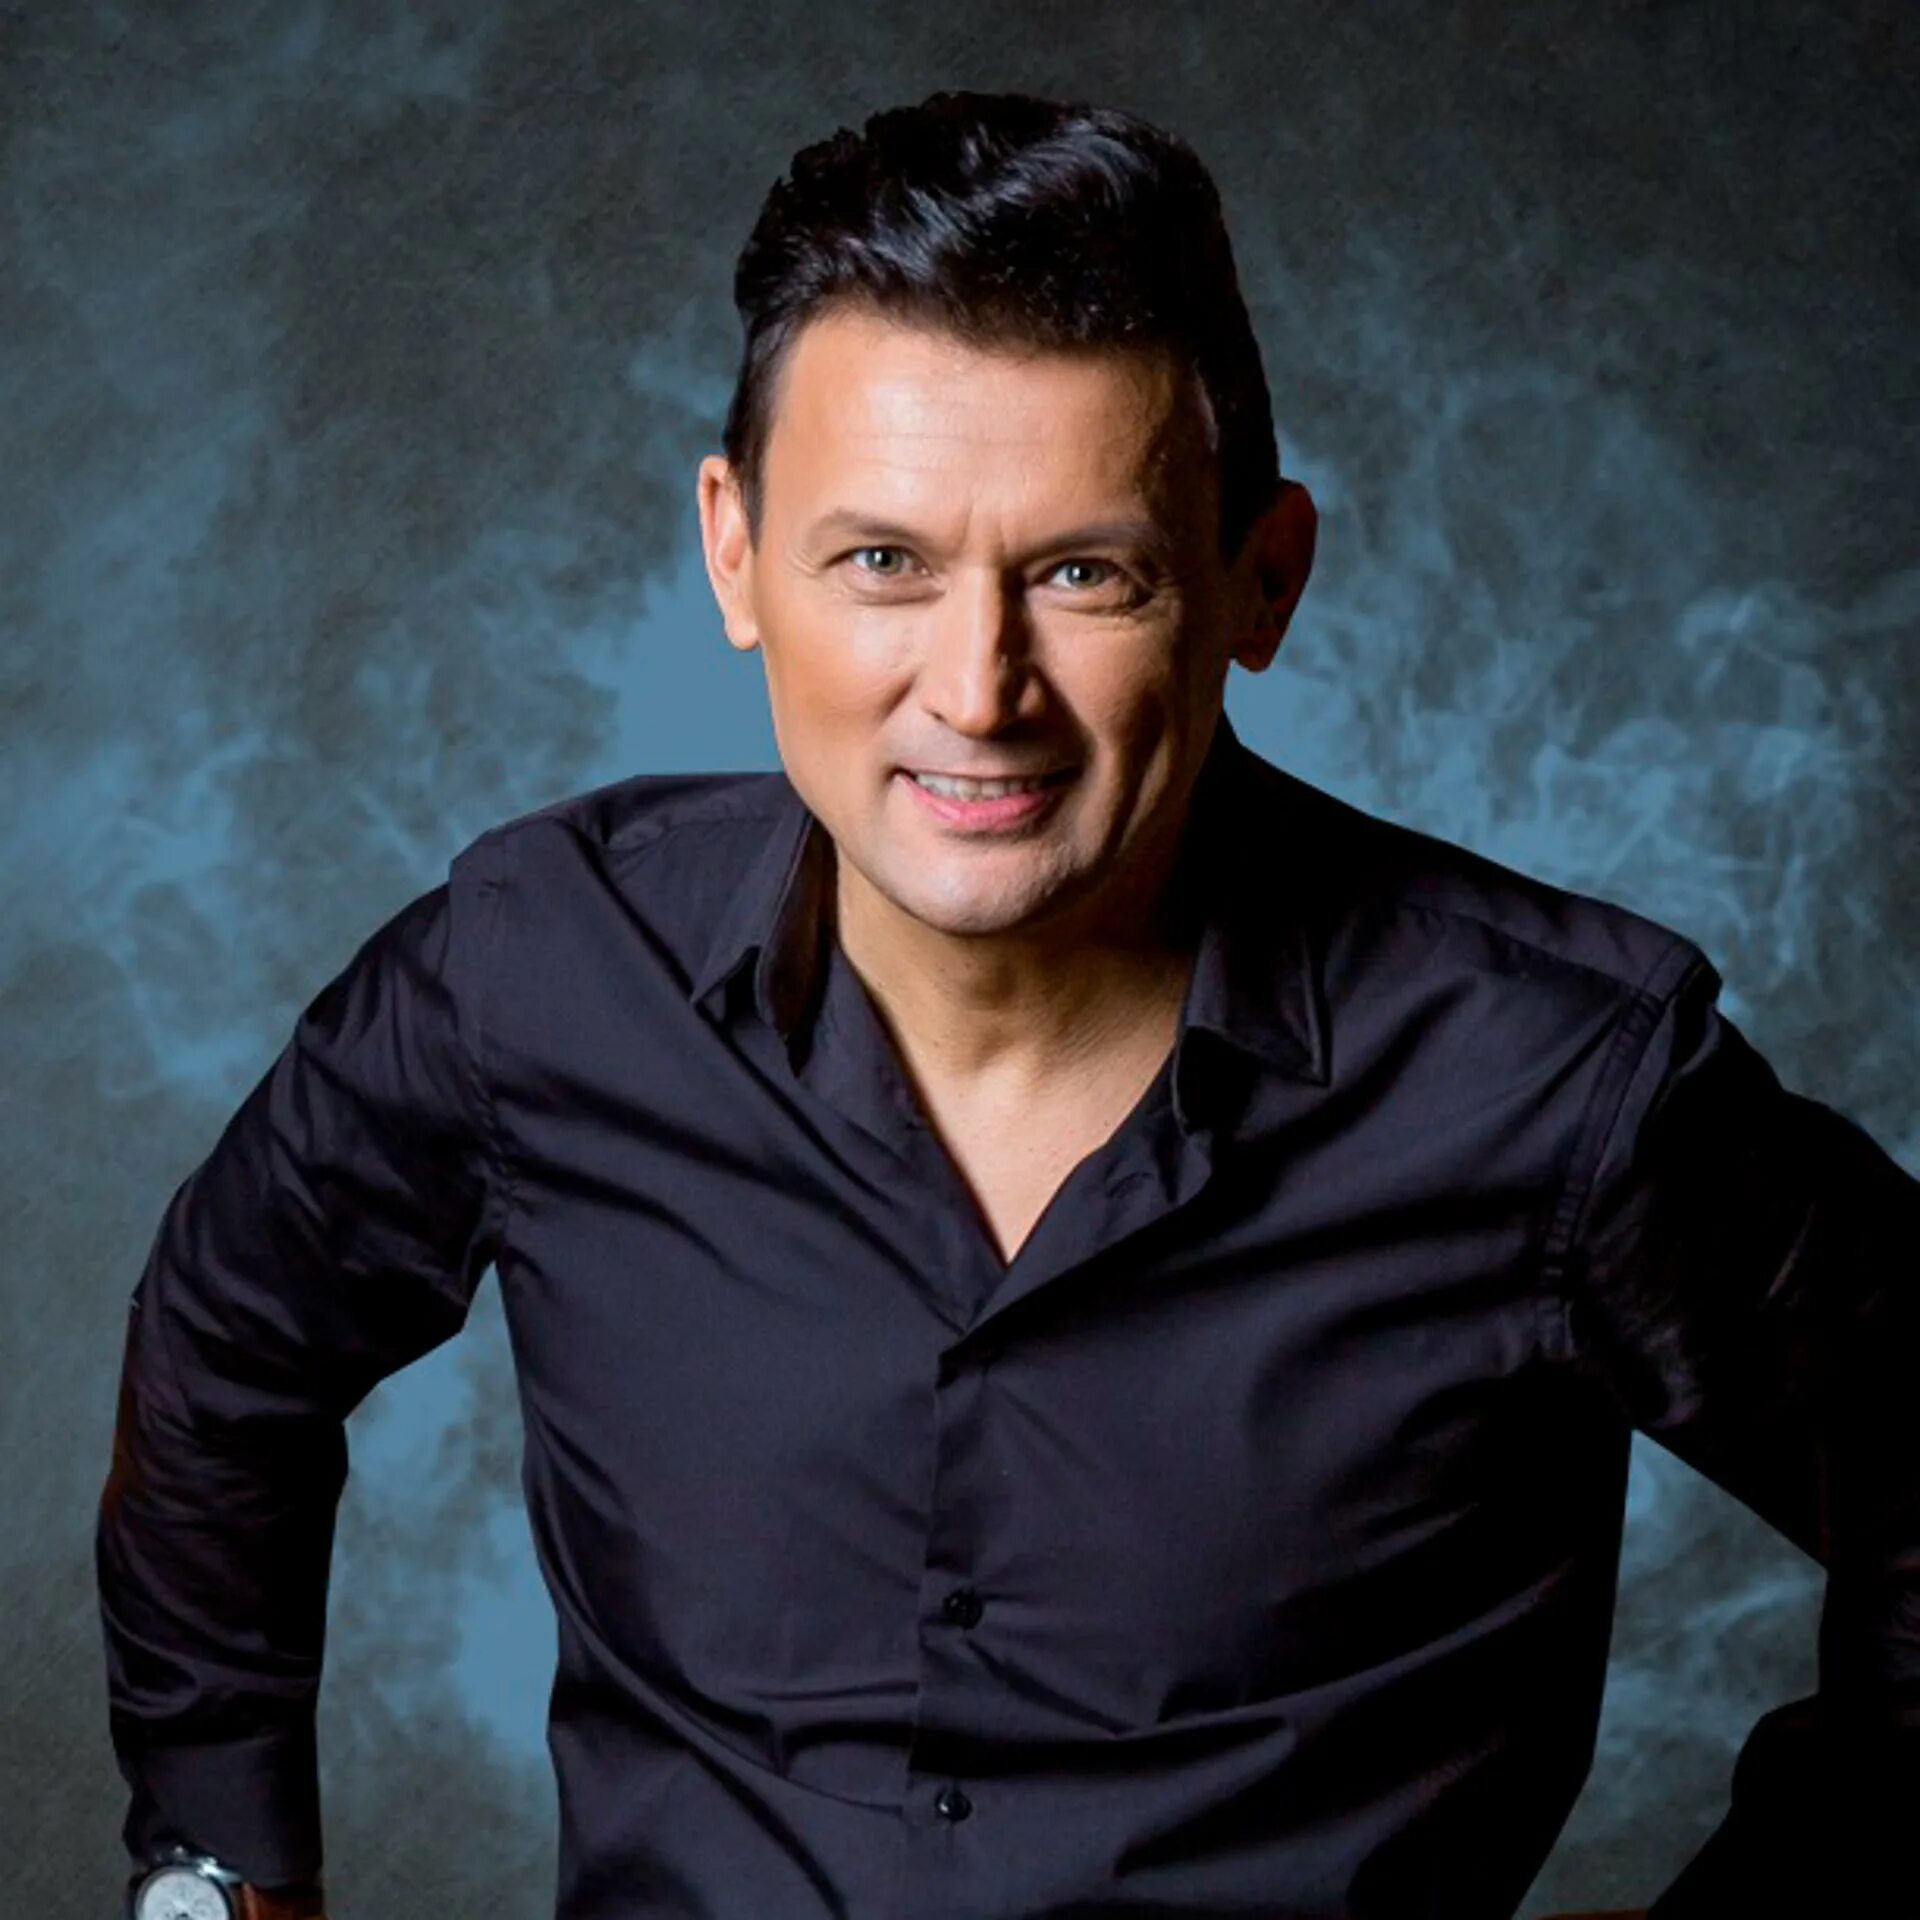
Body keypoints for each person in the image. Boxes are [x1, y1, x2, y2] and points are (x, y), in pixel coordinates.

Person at [96, 88, 1916, 1920]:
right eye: (883, 561)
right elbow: (228, 1345)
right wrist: (214, 1867)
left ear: (1260, 581)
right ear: (735, 553)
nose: (978, 692)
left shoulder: (1563, 1083)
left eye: (1083, 574)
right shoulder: (539, 970)